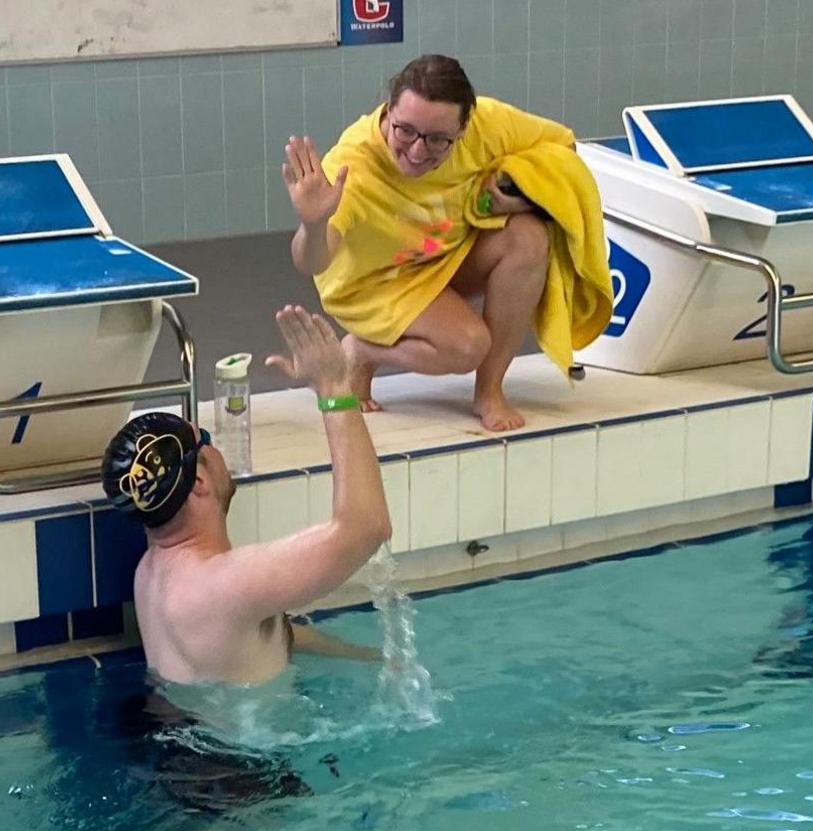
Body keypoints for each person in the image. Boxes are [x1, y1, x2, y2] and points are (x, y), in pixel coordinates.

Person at [283, 53, 613, 432]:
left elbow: (564, 148)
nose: (417, 151)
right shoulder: (353, 165)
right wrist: (313, 223)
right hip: (374, 286)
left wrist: (523, 198)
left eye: (438, 139)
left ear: (464, 128)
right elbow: (311, 262)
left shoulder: (488, 125)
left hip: (447, 257)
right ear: (388, 112)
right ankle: (360, 350)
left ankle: (489, 393)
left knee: (528, 237)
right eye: (404, 131)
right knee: (467, 346)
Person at [101, 305, 391, 686]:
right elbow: (367, 527)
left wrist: (363, 658)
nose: (216, 445)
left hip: (195, 732)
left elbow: (271, 631)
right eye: (205, 441)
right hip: (253, 748)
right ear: (199, 482)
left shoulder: (153, 575)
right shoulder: (227, 584)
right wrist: (334, 388)